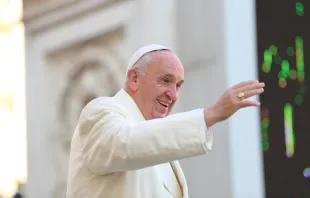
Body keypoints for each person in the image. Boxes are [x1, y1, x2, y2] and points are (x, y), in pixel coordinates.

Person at [66, 44, 265, 198]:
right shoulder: (100, 111)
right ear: (134, 79)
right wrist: (209, 115)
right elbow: (124, 144)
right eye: (165, 80)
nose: (173, 95)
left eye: (178, 85)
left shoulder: (158, 138)